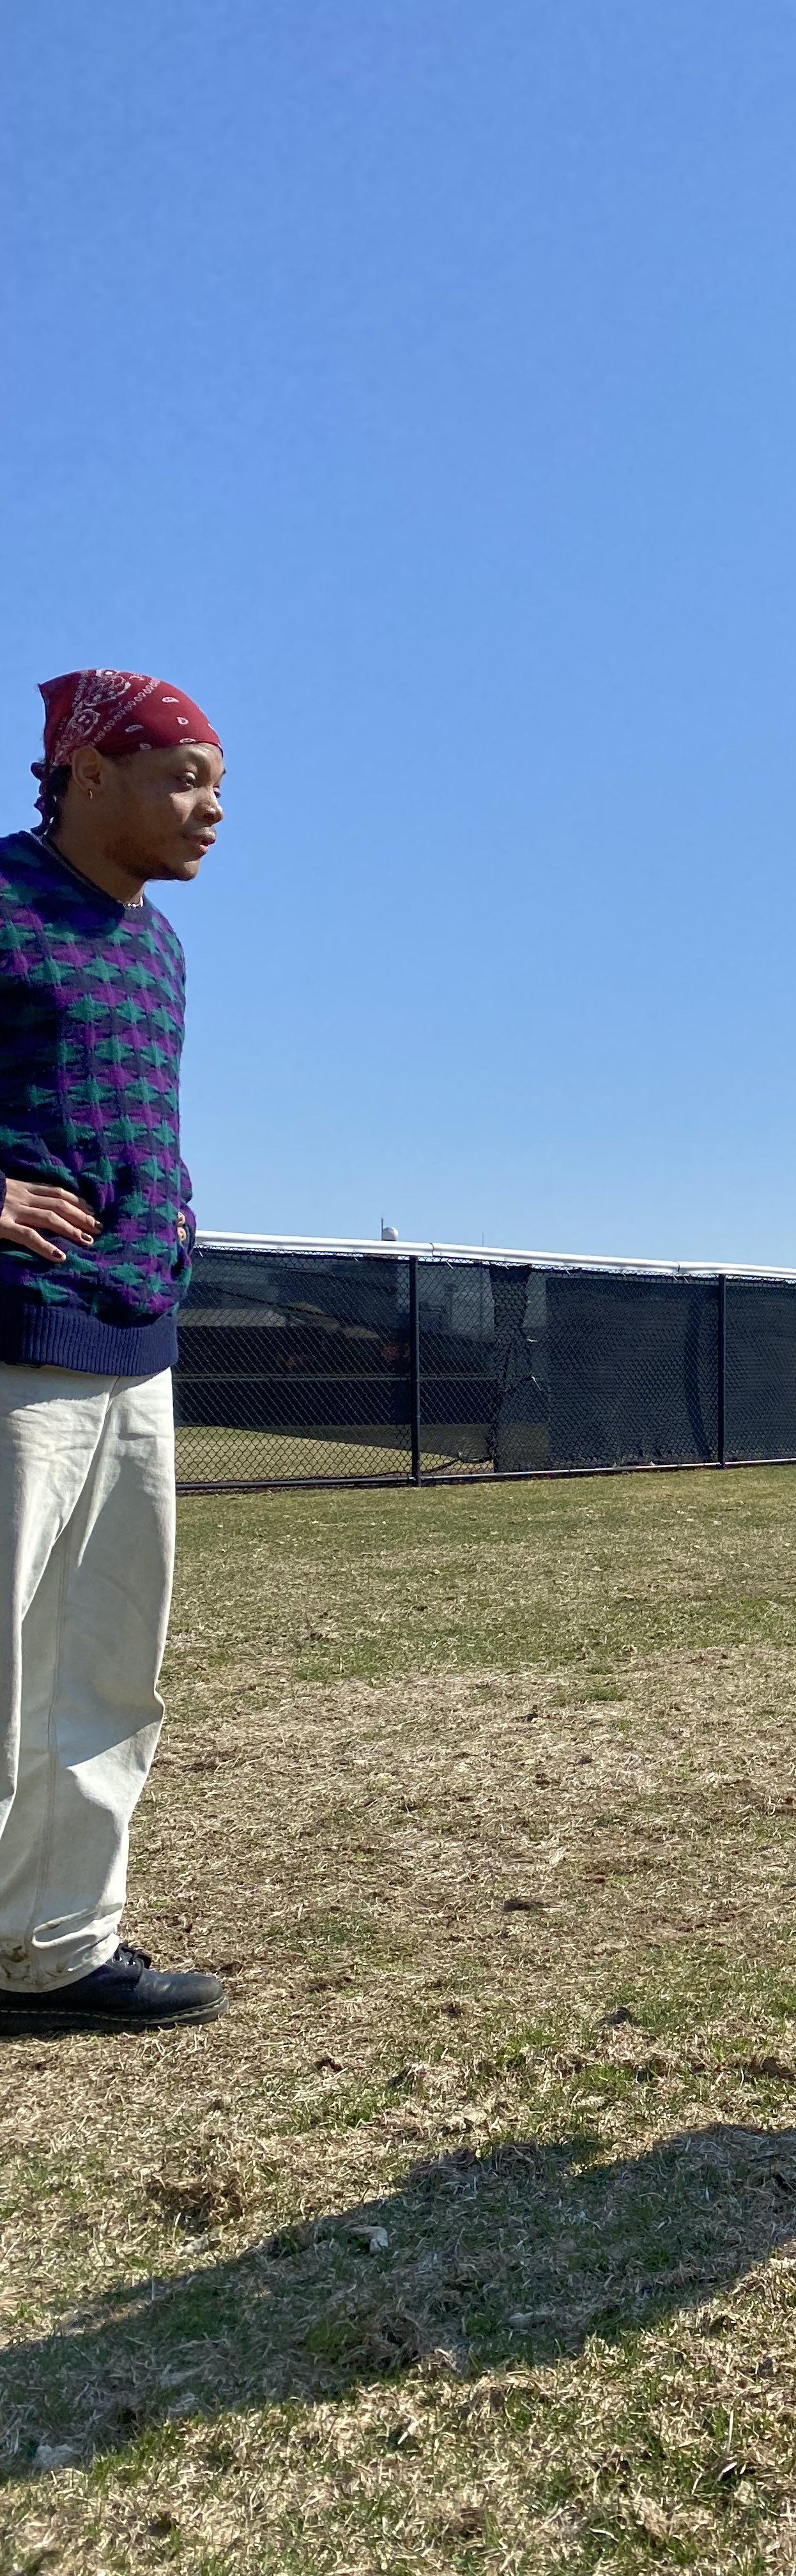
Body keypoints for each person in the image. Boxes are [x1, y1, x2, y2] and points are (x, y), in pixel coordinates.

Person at [0, 670, 229, 2034]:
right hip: (16, 1346)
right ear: (91, 772)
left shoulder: (158, 948)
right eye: (185, 779)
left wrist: (174, 1210)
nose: (210, 813)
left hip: (136, 1340)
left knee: (104, 1669)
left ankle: (55, 1949)